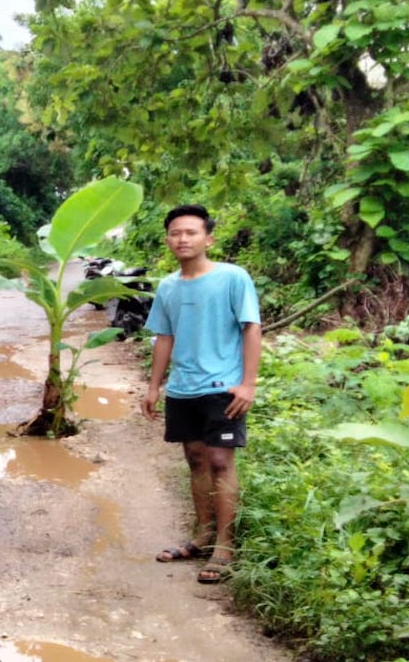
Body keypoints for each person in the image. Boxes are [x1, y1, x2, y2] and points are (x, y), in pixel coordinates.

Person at [140, 203, 261, 585]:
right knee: (195, 460)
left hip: (222, 387)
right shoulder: (168, 286)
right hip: (182, 389)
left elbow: (251, 327)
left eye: (191, 232)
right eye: (175, 233)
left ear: (208, 239)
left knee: (220, 460)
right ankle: (202, 535)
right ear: (167, 239)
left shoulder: (232, 277)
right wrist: (154, 386)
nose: (183, 239)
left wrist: (248, 383)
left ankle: (225, 546)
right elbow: (165, 336)